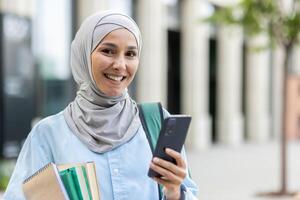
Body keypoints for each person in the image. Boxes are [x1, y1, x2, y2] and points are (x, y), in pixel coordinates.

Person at [3, 11, 198, 200]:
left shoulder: (157, 122)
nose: (120, 65)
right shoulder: (47, 135)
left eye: (130, 54)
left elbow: (188, 193)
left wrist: (175, 192)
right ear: (84, 54)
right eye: (108, 51)